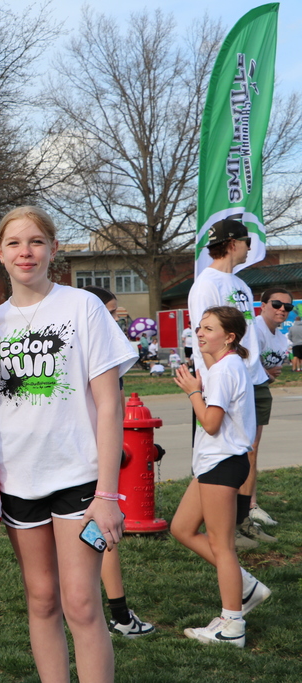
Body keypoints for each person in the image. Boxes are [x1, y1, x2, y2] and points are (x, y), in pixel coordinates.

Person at [0, 206, 134, 683]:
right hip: (18, 480)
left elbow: (109, 406)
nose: (25, 252)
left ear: (53, 249)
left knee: (82, 603)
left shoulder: (82, 307)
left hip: (80, 479)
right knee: (43, 600)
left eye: (35, 242)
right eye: (14, 243)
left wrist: (108, 495)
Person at [171, 306, 269, 647]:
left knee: (222, 547)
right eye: (199, 327)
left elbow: (211, 424)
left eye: (208, 328)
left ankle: (231, 626)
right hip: (214, 464)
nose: (199, 333)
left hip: (223, 463)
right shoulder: (224, 366)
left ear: (229, 337)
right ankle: (246, 586)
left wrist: (192, 391)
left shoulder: (225, 369)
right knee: (181, 528)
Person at [187, 218, 267, 550]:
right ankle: (225, 530)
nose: (252, 247)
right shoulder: (207, 283)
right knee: (223, 456)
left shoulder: (242, 284)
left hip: (250, 379)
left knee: (248, 451)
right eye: (248, 241)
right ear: (233, 243)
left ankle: (242, 519)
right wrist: (210, 382)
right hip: (224, 385)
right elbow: (202, 338)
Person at [82, 285, 156, 639]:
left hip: (100, 457)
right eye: (109, 313)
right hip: (88, 463)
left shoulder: (107, 348)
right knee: (103, 536)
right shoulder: (91, 343)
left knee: (98, 540)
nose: (115, 319)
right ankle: (119, 614)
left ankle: (113, 612)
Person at [239, 288, 293, 536]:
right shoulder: (255, 329)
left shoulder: (281, 337)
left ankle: (250, 504)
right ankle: (245, 507)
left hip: (261, 389)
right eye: (277, 304)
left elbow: (273, 370)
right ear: (262, 305)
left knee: (253, 448)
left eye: (288, 307)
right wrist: (266, 372)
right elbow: (245, 360)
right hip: (247, 390)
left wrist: (268, 374)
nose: (282, 309)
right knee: (246, 448)